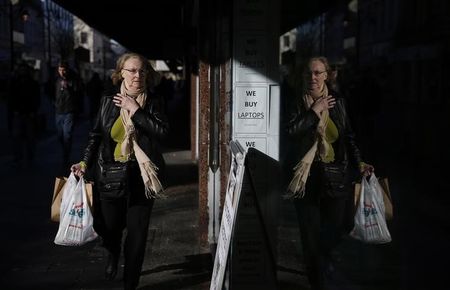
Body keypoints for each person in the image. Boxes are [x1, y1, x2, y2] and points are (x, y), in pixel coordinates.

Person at [70, 52, 169, 290]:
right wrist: (84, 163)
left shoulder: (154, 101)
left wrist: (136, 109)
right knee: (108, 228)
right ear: (120, 73)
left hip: (142, 178)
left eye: (142, 70)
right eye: (132, 70)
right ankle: (113, 252)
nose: (138, 75)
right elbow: (95, 136)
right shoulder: (107, 100)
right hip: (110, 175)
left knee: (137, 237)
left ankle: (130, 283)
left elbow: (162, 132)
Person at [282, 56, 373, 290]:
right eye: (308, 73)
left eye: (317, 73)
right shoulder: (295, 101)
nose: (312, 77)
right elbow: (290, 132)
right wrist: (314, 111)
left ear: (326, 75)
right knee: (310, 240)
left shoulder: (338, 101)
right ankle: (317, 282)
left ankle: (322, 260)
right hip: (306, 180)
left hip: (336, 178)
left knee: (338, 229)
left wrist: (360, 163)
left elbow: (349, 136)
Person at [8, 62, 41, 165]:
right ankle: (18, 157)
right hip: (19, 113)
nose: (22, 72)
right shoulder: (15, 82)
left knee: (29, 137)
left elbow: (36, 98)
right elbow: (11, 98)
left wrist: (33, 111)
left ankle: (29, 157)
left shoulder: (32, 83)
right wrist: (14, 110)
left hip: (28, 114)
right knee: (17, 137)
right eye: (21, 70)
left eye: (24, 70)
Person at [52, 61, 82, 170]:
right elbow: (49, 90)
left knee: (67, 135)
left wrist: (68, 87)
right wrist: (53, 102)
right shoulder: (56, 80)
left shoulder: (73, 80)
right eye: (60, 69)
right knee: (60, 135)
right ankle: (65, 150)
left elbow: (78, 93)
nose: (62, 72)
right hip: (58, 111)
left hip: (69, 111)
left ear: (67, 70)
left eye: (64, 69)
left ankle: (66, 155)